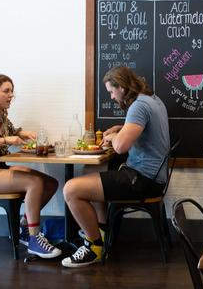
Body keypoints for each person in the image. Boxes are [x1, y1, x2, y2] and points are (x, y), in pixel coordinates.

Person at [62, 66, 170, 268]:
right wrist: (122, 128)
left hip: (142, 180)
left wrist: (113, 137)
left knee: (71, 189)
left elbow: (120, 147)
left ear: (121, 87)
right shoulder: (152, 99)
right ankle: (101, 231)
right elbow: (144, 128)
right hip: (153, 177)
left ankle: (93, 246)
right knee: (90, 172)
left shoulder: (138, 106)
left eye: (112, 91)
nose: (111, 97)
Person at [0, 74, 61, 258]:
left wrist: (22, 133)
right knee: (33, 183)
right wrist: (4, 140)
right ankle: (34, 239)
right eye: (6, 91)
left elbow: (12, 131)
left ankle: (23, 227)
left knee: (50, 183)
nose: (11, 96)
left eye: (12, 92)